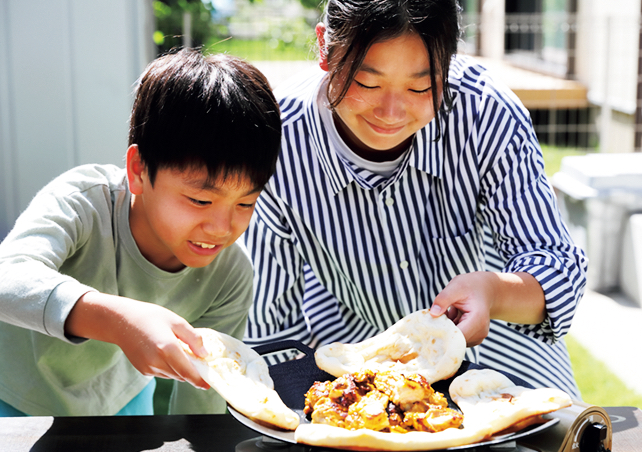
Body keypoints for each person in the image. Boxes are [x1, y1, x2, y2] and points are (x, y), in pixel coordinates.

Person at [244, 0, 587, 398]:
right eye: (367, 83)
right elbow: (274, 329)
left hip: (504, 350)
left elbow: (557, 267)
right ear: (324, 47)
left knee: (557, 449)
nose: (390, 112)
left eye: (421, 86)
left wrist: (491, 292)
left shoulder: (484, 112)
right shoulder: (279, 138)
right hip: (358, 361)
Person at [0, 48, 281, 416]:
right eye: (199, 200)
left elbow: (203, 406)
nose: (221, 228)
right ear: (138, 170)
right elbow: (8, 279)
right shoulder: (83, 203)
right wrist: (120, 321)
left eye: (245, 203)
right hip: (13, 397)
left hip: (122, 407)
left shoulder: (230, 275)